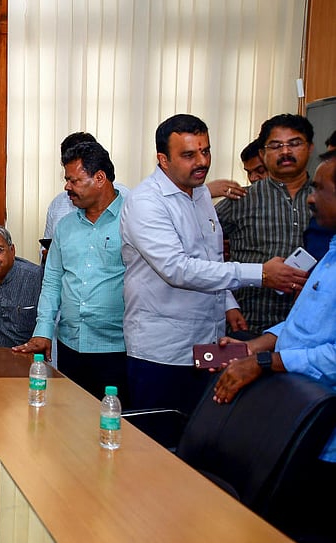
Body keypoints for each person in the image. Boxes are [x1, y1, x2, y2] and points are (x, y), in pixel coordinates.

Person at [119, 113, 308, 414]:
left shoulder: (199, 193)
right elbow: (178, 269)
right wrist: (260, 274)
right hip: (163, 350)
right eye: (189, 155)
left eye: (205, 151)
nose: (202, 162)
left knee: (198, 438)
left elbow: (211, 258)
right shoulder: (146, 202)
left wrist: (228, 304)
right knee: (156, 443)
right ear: (163, 160)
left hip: (209, 343)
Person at [212, 151, 336, 532]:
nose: (311, 198)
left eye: (319, 189)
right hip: (295, 422)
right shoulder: (330, 253)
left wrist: (265, 364)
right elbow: (303, 327)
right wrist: (254, 347)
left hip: (326, 442)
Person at [13, 142, 128, 401]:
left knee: (115, 425)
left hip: (118, 348)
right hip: (71, 346)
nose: (67, 187)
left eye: (73, 180)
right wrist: (43, 331)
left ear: (99, 178)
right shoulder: (65, 226)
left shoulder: (133, 218)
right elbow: (52, 281)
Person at [216, 114, 316, 337]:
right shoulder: (241, 199)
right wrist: (226, 302)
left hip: (315, 328)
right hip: (251, 325)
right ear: (263, 153)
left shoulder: (326, 198)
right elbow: (197, 248)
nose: (286, 152)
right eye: (276, 145)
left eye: (294, 143)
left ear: (310, 148)